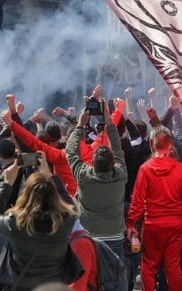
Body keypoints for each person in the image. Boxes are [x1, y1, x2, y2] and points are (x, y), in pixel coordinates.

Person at [0, 155, 82, 290]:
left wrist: (7, 184)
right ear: (54, 195)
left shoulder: (15, 223)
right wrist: (49, 175)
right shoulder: (64, 221)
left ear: (25, 194)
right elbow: (71, 206)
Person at [126, 116, 182, 291]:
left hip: (152, 225)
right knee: (173, 268)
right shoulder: (179, 169)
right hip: (173, 225)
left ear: (151, 145)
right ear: (170, 146)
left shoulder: (145, 169)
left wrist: (131, 223)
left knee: (149, 267)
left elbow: (137, 200)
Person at [66, 96, 128, 264]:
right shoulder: (121, 174)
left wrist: (80, 125)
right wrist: (108, 117)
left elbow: (70, 152)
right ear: (113, 162)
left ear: (92, 162)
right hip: (114, 235)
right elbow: (117, 146)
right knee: (114, 279)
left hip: (89, 235)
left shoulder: (84, 175)